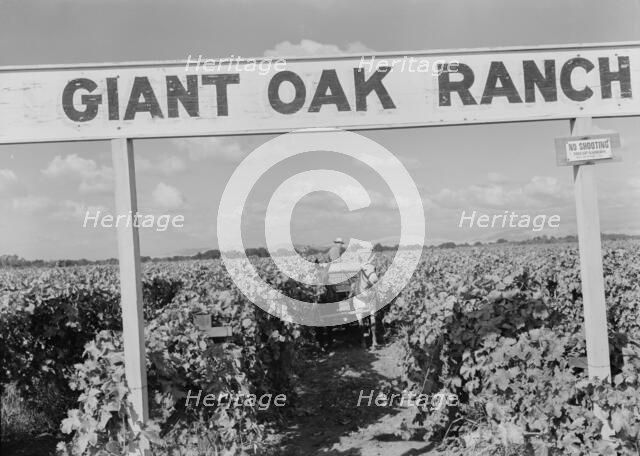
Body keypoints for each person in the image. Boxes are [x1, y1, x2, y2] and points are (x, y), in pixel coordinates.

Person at [351, 252, 379, 349]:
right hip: (359, 275)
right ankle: (364, 340)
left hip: (365, 278)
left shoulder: (366, 261)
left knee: (375, 290)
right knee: (353, 286)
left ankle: (374, 340)